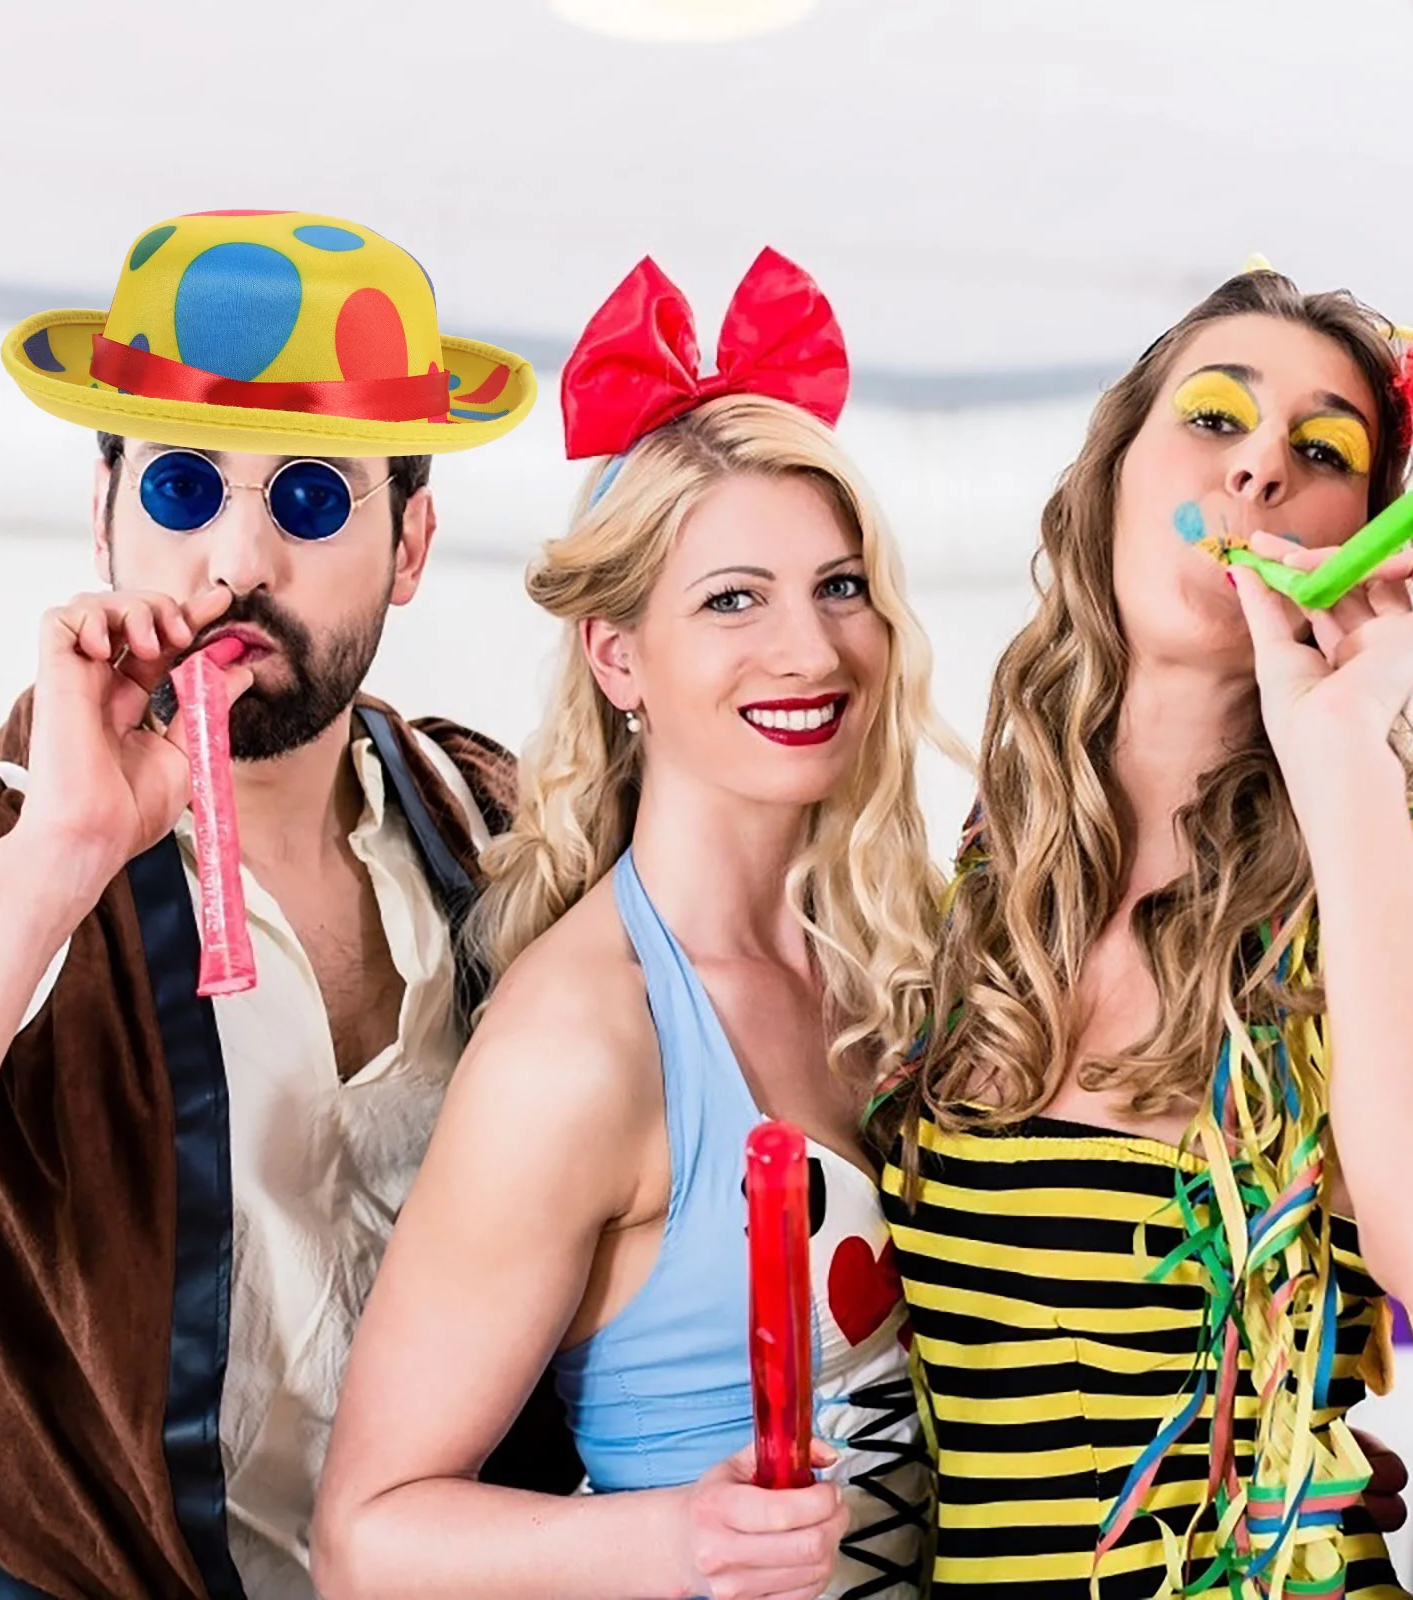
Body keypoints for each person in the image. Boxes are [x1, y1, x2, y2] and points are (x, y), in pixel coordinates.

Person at [0, 208, 578, 1599]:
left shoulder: (505, 826)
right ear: (104, 514)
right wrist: (57, 856)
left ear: (410, 547)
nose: (238, 562)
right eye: (181, 488)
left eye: (308, 497)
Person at [312, 250, 951, 1600]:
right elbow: (367, 1540)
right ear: (618, 659)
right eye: (733, 598)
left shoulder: (899, 956)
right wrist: (669, 1539)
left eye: (840, 587)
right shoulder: (584, 1041)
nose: (811, 651)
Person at [877, 266, 1413, 1599]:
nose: (1257, 475)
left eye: (1320, 450)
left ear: (1373, 526)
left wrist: (1342, 749)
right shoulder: (979, 886)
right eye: (1214, 421)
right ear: (1107, 481)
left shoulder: (1391, 857)